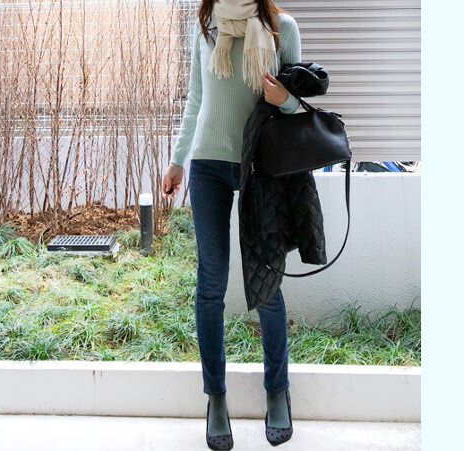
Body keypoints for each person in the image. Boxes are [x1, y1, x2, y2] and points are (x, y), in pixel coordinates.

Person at [161, 0, 301, 448]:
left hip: (260, 165)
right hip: (208, 165)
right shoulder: (205, 27)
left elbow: (300, 108)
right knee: (211, 286)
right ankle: (216, 398)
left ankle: (277, 391)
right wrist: (177, 160)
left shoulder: (281, 29)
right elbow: (195, 99)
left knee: (267, 283)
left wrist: (284, 99)